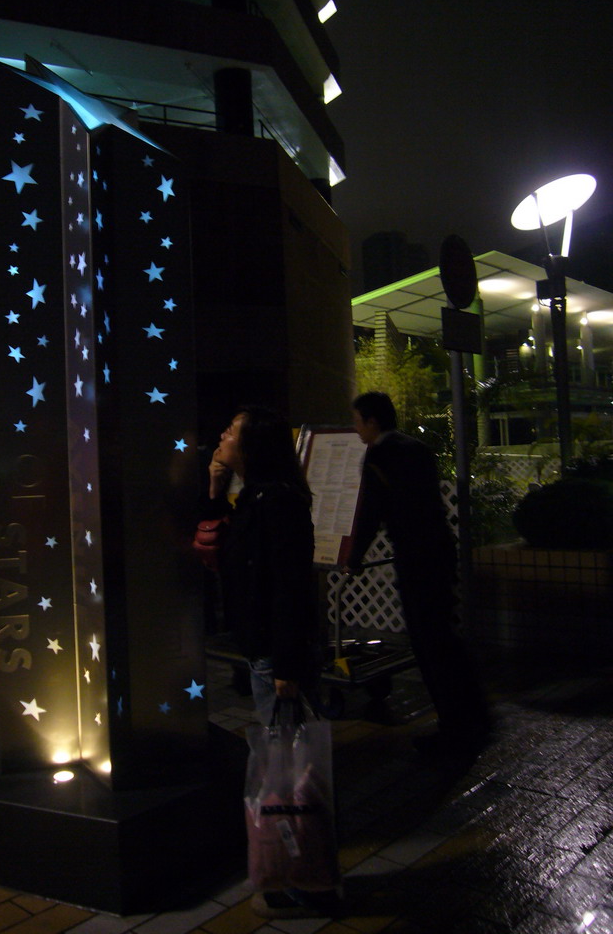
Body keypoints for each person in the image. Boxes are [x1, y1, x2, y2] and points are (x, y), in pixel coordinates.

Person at [205, 405, 338, 919]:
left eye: (231, 431)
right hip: (262, 649)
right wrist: (216, 491)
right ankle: (293, 866)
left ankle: (308, 877)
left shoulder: (277, 502)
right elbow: (218, 550)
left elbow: (290, 589)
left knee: (292, 769)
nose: (221, 435)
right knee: (286, 767)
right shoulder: (253, 498)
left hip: (274, 655)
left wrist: (285, 665)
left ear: (253, 446)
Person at [347, 391, 490, 759]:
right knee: (446, 637)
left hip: (413, 557)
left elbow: (371, 511)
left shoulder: (380, 454)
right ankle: (474, 715)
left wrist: (354, 553)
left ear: (372, 421)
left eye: (358, 421)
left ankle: (454, 729)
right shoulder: (418, 448)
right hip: (438, 550)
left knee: (428, 644)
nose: (356, 429)